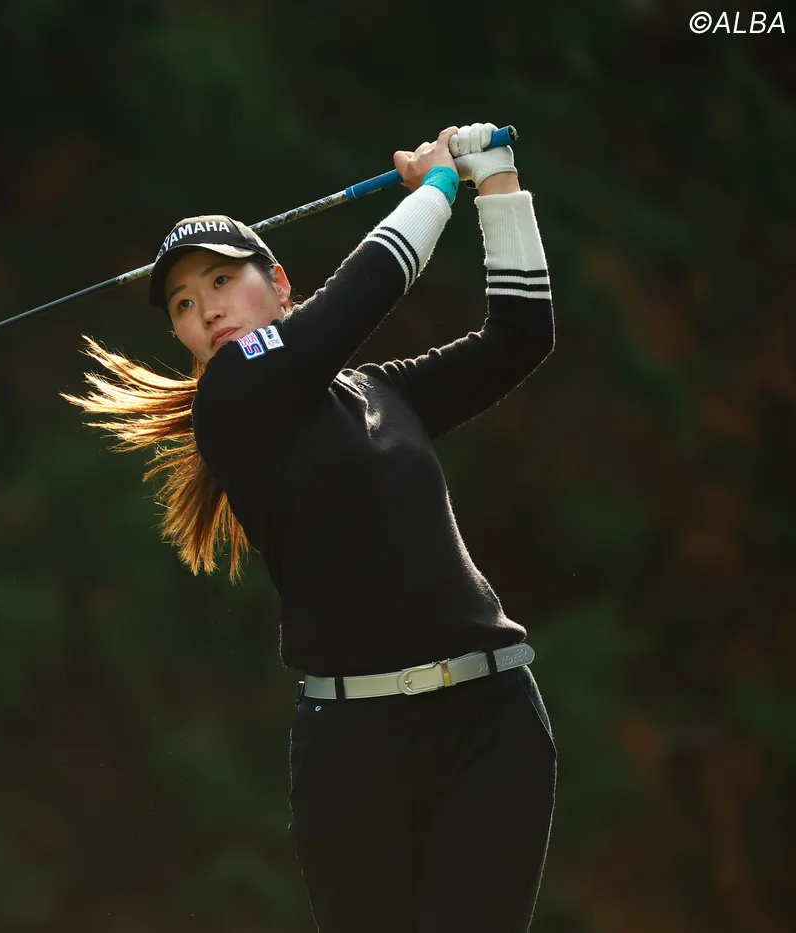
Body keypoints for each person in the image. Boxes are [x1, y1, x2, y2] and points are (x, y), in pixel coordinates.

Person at [64, 123, 557, 932]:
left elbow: (519, 337)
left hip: (490, 724)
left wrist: (497, 182)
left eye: (221, 279)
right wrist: (439, 186)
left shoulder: (380, 393)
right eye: (184, 304)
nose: (206, 308)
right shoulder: (229, 402)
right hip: (354, 752)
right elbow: (356, 300)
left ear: (279, 283)